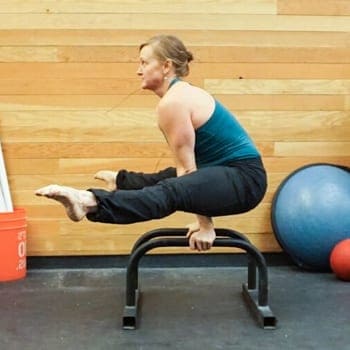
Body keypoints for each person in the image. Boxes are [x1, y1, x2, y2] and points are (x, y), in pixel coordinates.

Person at [35, 35, 267, 252]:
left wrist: (205, 226)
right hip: (226, 172)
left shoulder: (174, 102)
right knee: (168, 179)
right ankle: (121, 182)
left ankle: (89, 202)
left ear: (166, 66)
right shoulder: (178, 96)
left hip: (245, 181)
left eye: (144, 63)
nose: (139, 71)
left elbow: (187, 174)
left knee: (171, 190)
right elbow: (187, 173)